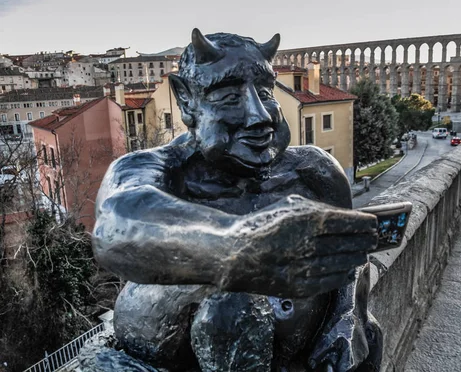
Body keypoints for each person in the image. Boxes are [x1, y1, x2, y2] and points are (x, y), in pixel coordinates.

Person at [91, 29, 381, 372]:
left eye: (264, 92)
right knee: (233, 303)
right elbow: (119, 221)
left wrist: (343, 320)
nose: (259, 116)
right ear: (186, 100)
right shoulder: (156, 169)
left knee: (371, 337)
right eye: (229, 97)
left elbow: (349, 263)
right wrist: (242, 245)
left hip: (303, 357)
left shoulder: (314, 169)